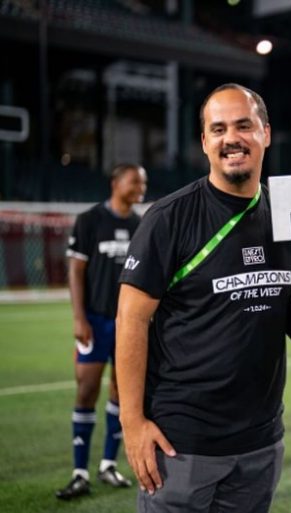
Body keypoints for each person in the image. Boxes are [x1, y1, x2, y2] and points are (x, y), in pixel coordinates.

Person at [116, 83, 291, 513]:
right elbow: (131, 320)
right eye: (217, 129)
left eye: (243, 125)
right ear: (204, 142)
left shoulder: (289, 220)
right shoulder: (169, 218)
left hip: (260, 445)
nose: (231, 138)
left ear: (266, 133)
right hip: (181, 444)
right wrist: (132, 422)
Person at [56, 163, 148, 500]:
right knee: (87, 389)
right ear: (116, 182)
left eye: (144, 182)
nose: (141, 186)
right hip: (95, 320)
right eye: (135, 180)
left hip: (129, 324)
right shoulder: (90, 220)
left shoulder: (141, 224)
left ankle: (108, 465)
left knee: (121, 394)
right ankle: (79, 472)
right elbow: (75, 272)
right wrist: (79, 318)